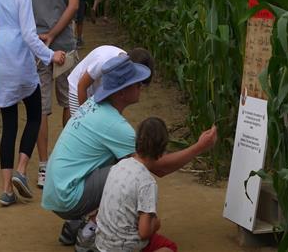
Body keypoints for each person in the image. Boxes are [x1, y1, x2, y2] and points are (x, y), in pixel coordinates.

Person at [41, 54, 218, 249]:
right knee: (129, 171)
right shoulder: (115, 125)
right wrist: (199, 147)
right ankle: (90, 230)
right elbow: (157, 167)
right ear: (121, 93)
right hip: (67, 196)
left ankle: (78, 225)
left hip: (57, 189)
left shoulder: (94, 104)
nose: (140, 86)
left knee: (122, 164)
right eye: (135, 83)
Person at [0, 0, 66, 207]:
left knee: (9, 124)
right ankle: (22, 170)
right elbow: (29, 35)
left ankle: (5, 190)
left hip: (2, 59)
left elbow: (10, 22)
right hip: (20, 61)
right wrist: (50, 56)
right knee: (35, 114)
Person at [29, 0, 82, 188]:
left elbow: (22, 0)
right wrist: (54, 33)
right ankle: (66, 161)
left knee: (40, 108)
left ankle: (43, 168)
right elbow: (73, 5)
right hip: (63, 45)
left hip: (37, 46)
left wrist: (40, 35)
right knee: (69, 104)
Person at [95, 117, 178, 252]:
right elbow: (144, 232)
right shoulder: (147, 183)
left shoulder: (119, 165)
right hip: (125, 247)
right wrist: (155, 224)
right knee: (169, 247)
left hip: (103, 244)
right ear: (162, 150)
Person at [67, 46, 153, 117]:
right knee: (80, 122)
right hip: (78, 88)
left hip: (96, 91)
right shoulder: (103, 60)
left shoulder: (125, 65)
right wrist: (86, 115)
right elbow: (81, 86)